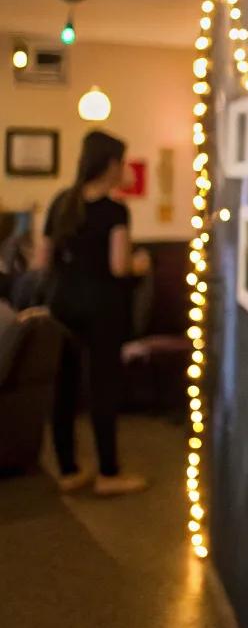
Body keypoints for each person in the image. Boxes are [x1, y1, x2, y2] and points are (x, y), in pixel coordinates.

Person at [37, 131, 149, 495]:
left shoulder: (61, 203)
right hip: (102, 307)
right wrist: (139, 263)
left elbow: (41, 261)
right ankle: (108, 474)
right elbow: (119, 266)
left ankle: (69, 470)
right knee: (102, 389)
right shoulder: (114, 211)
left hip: (62, 304)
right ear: (111, 164)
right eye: (122, 162)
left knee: (64, 389)